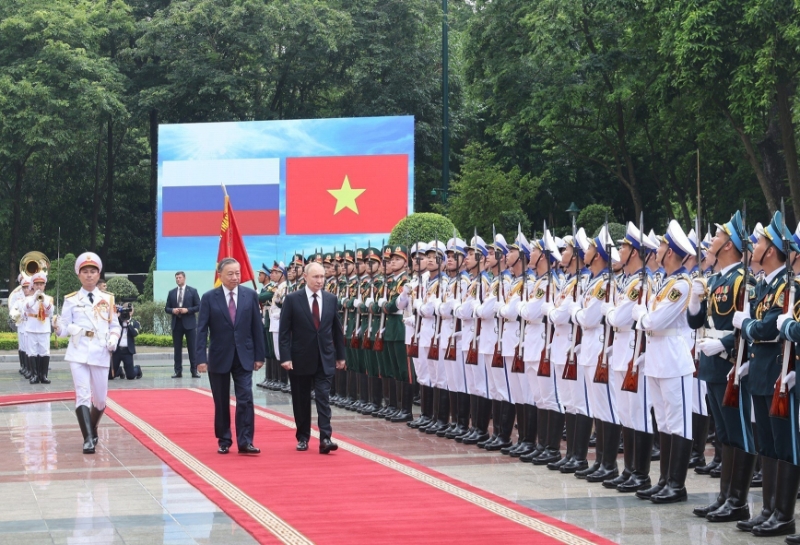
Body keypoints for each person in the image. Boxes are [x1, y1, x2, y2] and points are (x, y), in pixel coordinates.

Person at [195, 258, 265, 455]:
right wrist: (200, 358)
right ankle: (224, 439)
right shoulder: (209, 297)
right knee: (221, 400)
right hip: (219, 356)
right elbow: (201, 330)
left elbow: (256, 328)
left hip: (244, 355)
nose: (235, 277)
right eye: (230, 274)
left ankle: (246, 441)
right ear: (220, 276)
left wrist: (259, 355)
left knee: (245, 398)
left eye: (237, 273)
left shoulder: (250, 295)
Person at [54, 252, 121, 454]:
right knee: (82, 395)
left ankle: (91, 427)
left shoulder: (107, 299)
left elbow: (115, 326)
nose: (89, 275)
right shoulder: (71, 300)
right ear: (79, 275)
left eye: (93, 271)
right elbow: (64, 329)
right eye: (85, 272)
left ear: (98, 274)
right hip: (78, 350)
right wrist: (57, 327)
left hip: (100, 350)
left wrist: (113, 339)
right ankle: (88, 439)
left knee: (100, 399)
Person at [278, 262, 346, 454]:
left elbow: (336, 330)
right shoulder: (292, 299)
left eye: (322, 277)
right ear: (305, 277)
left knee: (323, 397)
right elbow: (284, 332)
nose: (320, 281)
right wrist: (285, 357)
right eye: (316, 277)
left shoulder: (331, 299)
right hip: (300, 358)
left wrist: (340, 356)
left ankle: (325, 437)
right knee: (301, 400)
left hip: (325, 357)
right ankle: (302, 437)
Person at [165, 271, 201, 378]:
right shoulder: (171, 292)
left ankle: (194, 370)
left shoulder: (192, 291)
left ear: (184, 278)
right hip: (177, 323)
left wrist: (187, 310)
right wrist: (173, 310)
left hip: (189, 323)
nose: (178, 279)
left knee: (192, 348)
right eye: (176, 278)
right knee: (177, 349)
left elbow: (198, 306)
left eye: (179, 277)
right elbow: (166, 308)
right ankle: (178, 371)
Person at [23, 271, 54, 384]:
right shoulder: (28, 299)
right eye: (37, 284)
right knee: (32, 352)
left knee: (44, 352)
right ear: (33, 285)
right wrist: (34, 298)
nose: (39, 286)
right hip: (31, 328)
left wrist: (43, 300)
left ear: (44, 285)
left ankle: (43, 375)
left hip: (44, 328)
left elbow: (51, 311)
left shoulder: (49, 298)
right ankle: (34, 375)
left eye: (41, 284)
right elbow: (25, 308)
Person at [111, 304, 143, 380]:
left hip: (128, 351)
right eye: (125, 310)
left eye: (129, 310)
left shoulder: (135, 323)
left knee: (130, 376)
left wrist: (128, 323)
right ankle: (119, 370)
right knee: (110, 376)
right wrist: (118, 316)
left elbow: (134, 333)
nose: (127, 312)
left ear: (132, 311)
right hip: (117, 350)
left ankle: (137, 369)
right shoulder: (117, 321)